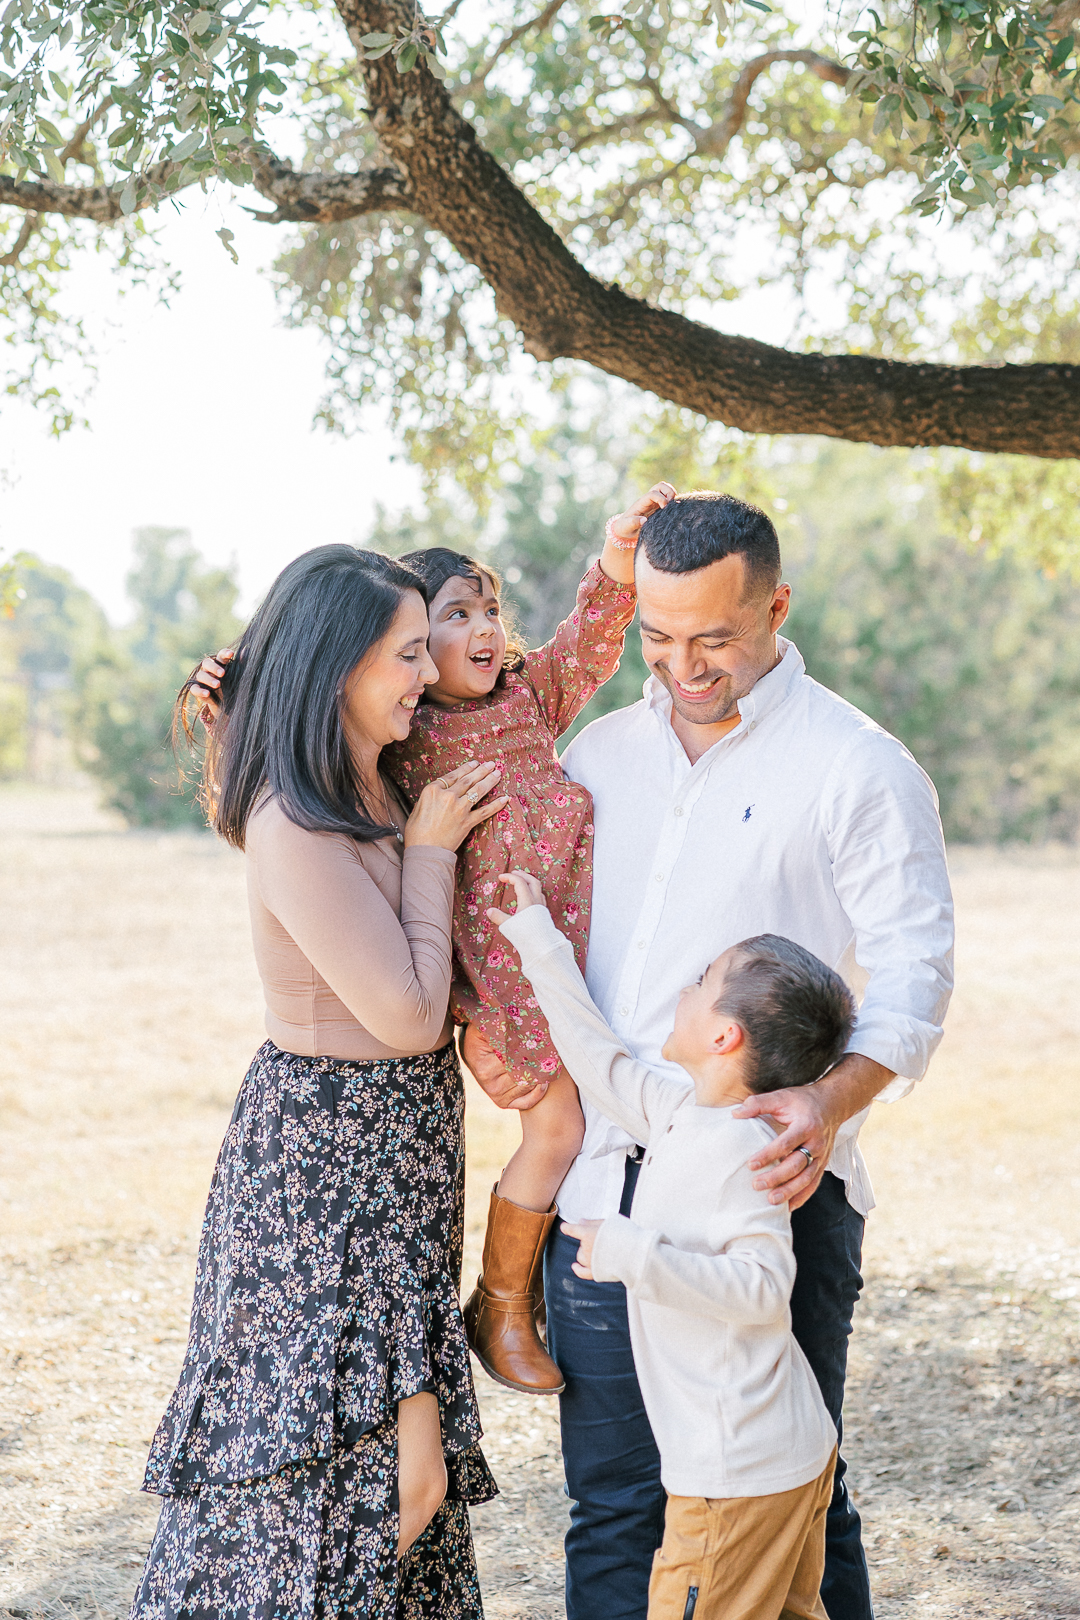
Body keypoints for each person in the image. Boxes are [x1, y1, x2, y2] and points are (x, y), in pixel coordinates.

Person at [468, 491, 955, 1620]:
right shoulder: (597, 753)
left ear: (777, 605)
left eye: (716, 637)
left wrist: (828, 1101)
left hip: (771, 1190)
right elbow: (520, 909)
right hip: (601, 1194)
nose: (684, 664)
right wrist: (495, 1026)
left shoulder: (857, 766)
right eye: (658, 635)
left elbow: (915, 974)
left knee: (791, 1494)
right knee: (615, 1505)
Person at [191, 484, 675, 1400]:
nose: (482, 631)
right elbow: (290, 784)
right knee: (563, 1123)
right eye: (439, 628)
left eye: (489, 609)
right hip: (497, 987)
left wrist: (616, 569)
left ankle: (594, 1293)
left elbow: (583, 642)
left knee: (621, 1116)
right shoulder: (406, 745)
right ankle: (504, 1304)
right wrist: (239, 694)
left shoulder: (526, 699)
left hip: (575, 968)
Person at [132, 545, 506, 1620]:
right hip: (324, 1189)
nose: (422, 675)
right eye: (400, 655)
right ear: (337, 666)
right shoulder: (294, 821)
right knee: (374, 1488)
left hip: (389, 1184)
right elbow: (402, 1015)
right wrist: (432, 851)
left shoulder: (366, 777)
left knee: (385, 1496)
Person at [493, 872, 857, 1620]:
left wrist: (632, 1255)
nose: (683, 987)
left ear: (725, 1036)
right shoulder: (685, 1114)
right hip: (770, 1458)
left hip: (737, 1477)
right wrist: (538, 941)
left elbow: (760, 1288)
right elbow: (601, 1062)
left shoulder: (743, 1152)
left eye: (701, 980)